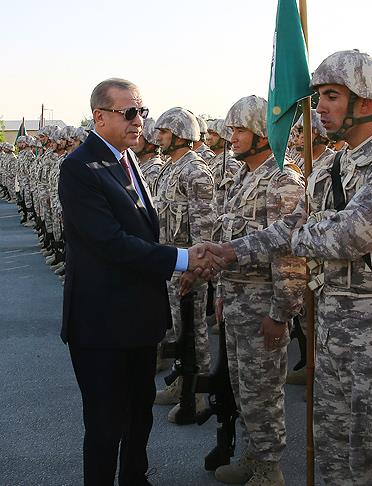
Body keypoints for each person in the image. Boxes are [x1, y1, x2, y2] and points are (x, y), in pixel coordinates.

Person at [203, 50, 372, 484]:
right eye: (318, 97)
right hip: (331, 327)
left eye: (330, 96)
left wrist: (313, 230)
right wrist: (231, 251)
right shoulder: (332, 162)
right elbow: (294, 226)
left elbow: (350, 237)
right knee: (330, 449)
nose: (318, 107)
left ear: (365, 103)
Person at [57, 78, 220, 486]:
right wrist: (183, 259)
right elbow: (110, 243)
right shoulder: (79, 168)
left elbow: (146, 231)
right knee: (105, 422)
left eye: (142, 112)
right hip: (102, 323)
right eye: (129, 112)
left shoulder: (128, 161)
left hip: (140, 319)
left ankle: (135, 477)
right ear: (100, 116)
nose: (139, 121)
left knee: (138, 411)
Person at [211, 95, 306, 486]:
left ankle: (270, 468)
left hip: (262, 305)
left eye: (239, 130)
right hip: (236, 301)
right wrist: (220, 291)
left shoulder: (282, 179)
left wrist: (281, 312)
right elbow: (224, 237)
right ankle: (254, 454)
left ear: (264, 134)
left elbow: (290, 252)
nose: (231, 137)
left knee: (263, 392)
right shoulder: (242, 177)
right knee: (242, 389)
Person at [150, 107, 215, 421]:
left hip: (189, 266)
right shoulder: (170, 168)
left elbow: (204, 229)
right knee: (179, 330)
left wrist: (195, 270)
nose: (158, 137)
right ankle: (182, 382)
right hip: (171, 263)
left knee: (195, 329)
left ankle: (199, 394)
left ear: (177, 135)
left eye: (163, 132)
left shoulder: (195, 171)